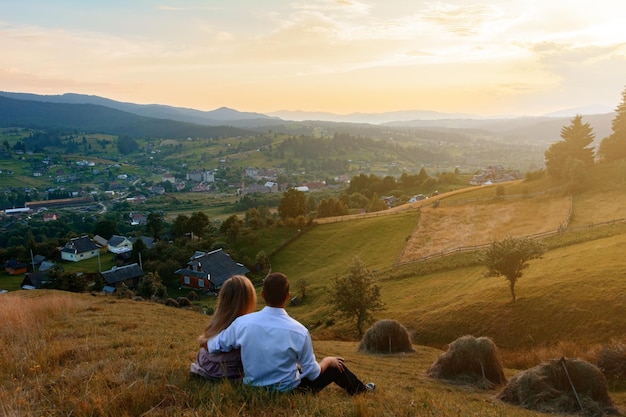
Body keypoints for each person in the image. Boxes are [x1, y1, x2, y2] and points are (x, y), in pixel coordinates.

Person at [208, 272, 375, 394]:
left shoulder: (242, 323)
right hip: (289, 391)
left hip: (252, 389)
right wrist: (327, 361)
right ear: (287, 297)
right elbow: (313, 372)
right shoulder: (300, 331)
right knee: (336, 367)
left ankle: (361, 389)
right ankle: (362, 391)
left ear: (263, 295)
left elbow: (213, 345)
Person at [190, 275, 257, 380]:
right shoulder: (245, 327)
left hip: (206, 363)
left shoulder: (217, 322)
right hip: (231, 369)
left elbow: (205, 344)